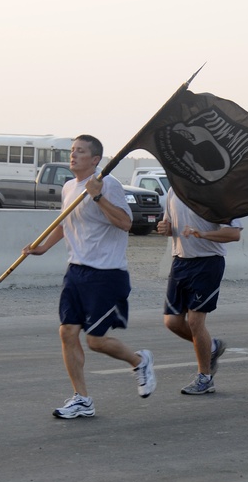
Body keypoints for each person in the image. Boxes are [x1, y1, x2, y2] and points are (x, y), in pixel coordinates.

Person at [22, 134, 156, 419]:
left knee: (95, 340)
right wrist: (43, 247)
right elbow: (64, 222)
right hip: (76, 271)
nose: (73, 155)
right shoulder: (70, 186)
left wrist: (98, 196)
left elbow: (125, 223)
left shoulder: (109, 185)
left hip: (106, 274)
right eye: (72, 150)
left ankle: (139, 360)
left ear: (95, 160)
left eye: (80, 151)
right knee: (67, 332)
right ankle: (82, 398)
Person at [157, 189, 242, 394]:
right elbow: (170, 228)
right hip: (180, 262)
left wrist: (203, 234)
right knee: (172, 322)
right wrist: (164, 228)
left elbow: (233, 233)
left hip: (207, 263)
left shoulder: (217, 191)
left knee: (195, 322)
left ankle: (204, 378)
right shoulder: (173, 191)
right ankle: (211, 347)